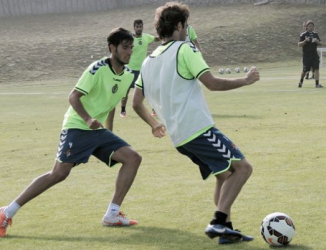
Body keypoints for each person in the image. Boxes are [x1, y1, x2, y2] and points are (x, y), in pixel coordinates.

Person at [132, 2, 260, 245]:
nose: (187, 30)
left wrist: (153, 123)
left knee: (224, 176)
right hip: (198, 129)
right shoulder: (185, 49)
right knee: (243, 169)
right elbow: (211, 83)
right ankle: (218, 222)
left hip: (179, 138)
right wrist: (245, 80)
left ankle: (227, 232)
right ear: (179, 26)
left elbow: (137, 102)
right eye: (186, 25)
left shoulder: (148, 61)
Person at [0, 27, 141, 237]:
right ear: (112, 48)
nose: (129, 52)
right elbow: (73, 96)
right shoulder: (96, 69)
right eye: (124, 47)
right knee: (59, 174)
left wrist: (108, 132)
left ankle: (112, 214)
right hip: (77, 126)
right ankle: (6, 212)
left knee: (133, 158)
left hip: (97, 131)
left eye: (131, 47)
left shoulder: (128, 75)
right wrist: (87, 118)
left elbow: (110, 104)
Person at [120, 19, 160, 118]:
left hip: (142, 70)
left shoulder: (146, 37)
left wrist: (166, 35)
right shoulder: (130, 39)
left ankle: (154, 110)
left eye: (140, 26)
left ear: (142, 27)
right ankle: (123, 110)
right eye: (137, 27)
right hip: (129, 69)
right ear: (134, 27)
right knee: (125, 90)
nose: (139, 28)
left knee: (147, 89)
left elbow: (156, 39)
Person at [298, 20, 323, 88]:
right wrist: (305, 41)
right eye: (309, 26)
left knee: (316, 69)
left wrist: (318, 42)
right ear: (306, 27)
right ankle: (301, 82)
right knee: (305, 70)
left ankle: (317, 84)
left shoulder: (315, 34)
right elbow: (299, 44)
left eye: (312, 26)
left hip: (314, 54)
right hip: (306, 55)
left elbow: (321, 43)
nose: (311, 27)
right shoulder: (303, 34)